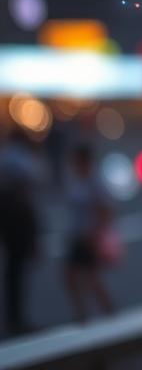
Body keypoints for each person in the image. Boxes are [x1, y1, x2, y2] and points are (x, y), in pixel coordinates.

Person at [0, 126, 46, 336]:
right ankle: (17, 318)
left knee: (13, 268)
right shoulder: (21, 159)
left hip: (7, 215)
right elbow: (39, 176)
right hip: (20, 217)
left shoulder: (5, 155)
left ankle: (13, 316)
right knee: (19, 268)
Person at [62, 142, 116, 322]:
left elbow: (106, 211)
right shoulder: (78, 180)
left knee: (91, 279)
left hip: (89, 238)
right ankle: (83, 315)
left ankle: (108, 315)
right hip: (78, 236)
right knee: (74, 277)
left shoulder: (95, 182)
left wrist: (96, 233)